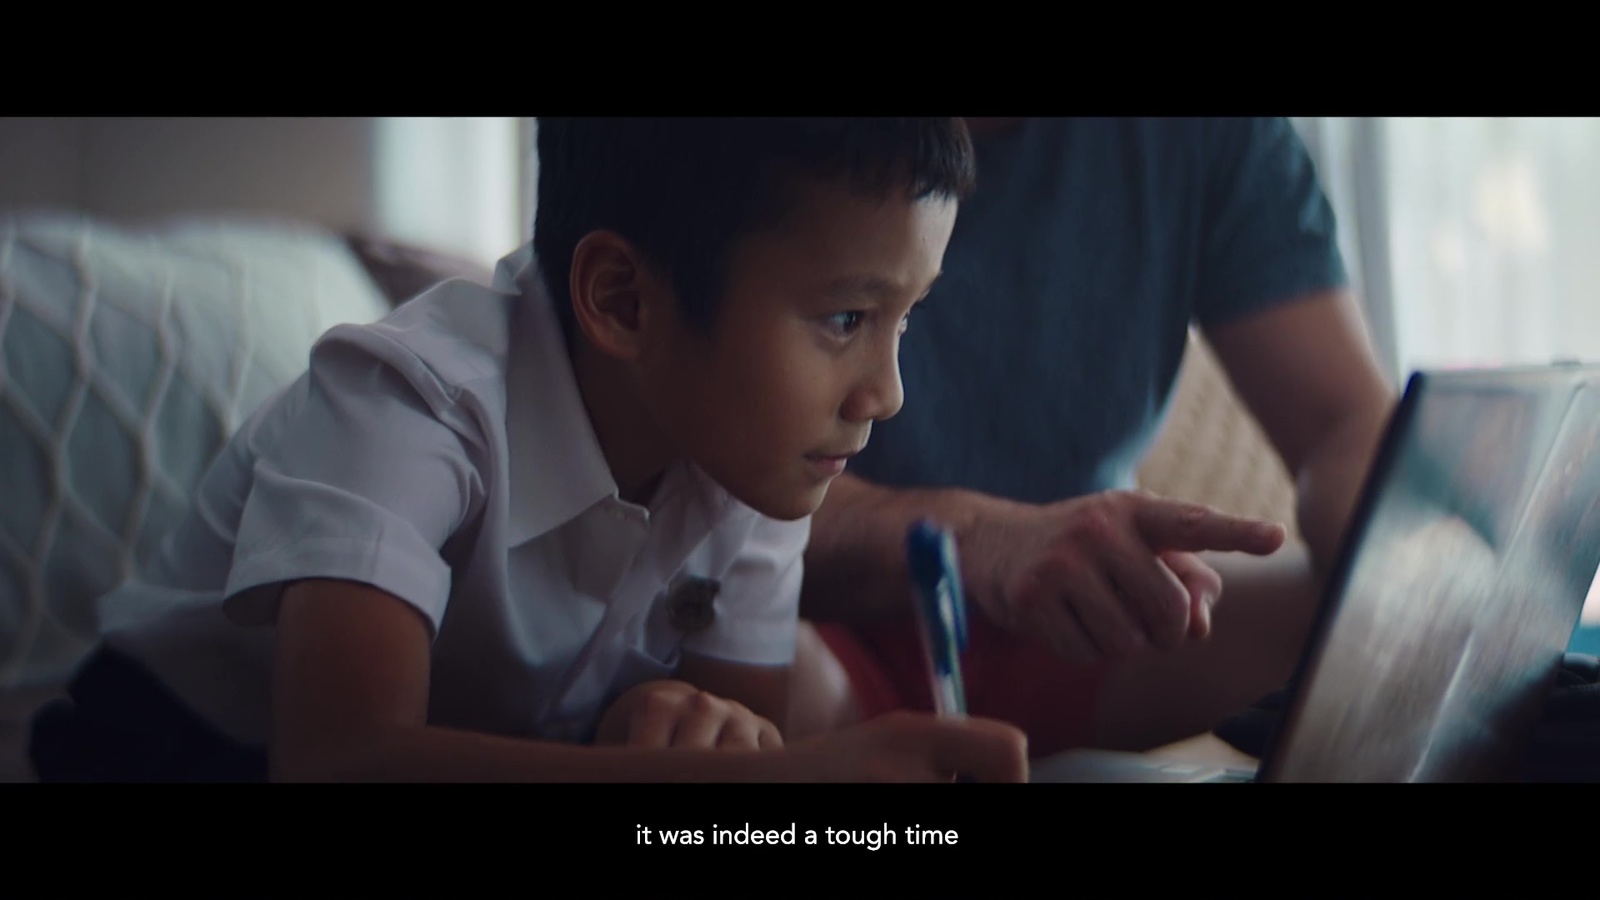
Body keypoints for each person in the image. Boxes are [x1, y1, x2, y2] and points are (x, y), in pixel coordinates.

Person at [28, 117, 1039, 783]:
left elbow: (733, 751)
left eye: (901, 319)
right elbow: (335, 758)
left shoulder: (757, 465)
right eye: (846, 317)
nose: (886, 391)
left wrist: (692, 730)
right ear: (622, 299)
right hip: (171, 752)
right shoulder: (411, 403)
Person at [788, 117, 1398, 756]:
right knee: (732, 652)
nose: (887, 394)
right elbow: (709, 493)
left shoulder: (1209, 136)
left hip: (1080, 623)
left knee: (1364, 635)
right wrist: (976, 538)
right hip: (815, 620)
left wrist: (1416, 576)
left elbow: (1344, 423)